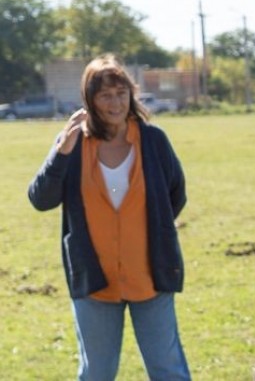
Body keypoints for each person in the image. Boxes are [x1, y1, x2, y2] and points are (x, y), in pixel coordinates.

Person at [28, 54, 190, 380]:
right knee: (96, 373)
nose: (115, 103)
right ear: (90, 99)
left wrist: (149, 231)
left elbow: (176, 194)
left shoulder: (153, 141)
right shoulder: (73, 144)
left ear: (131, 94)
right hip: (94, 283)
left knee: (168, 370)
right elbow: (41, 199)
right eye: (105, 95)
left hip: (151, 277)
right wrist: (61, 152)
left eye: (121, 93)